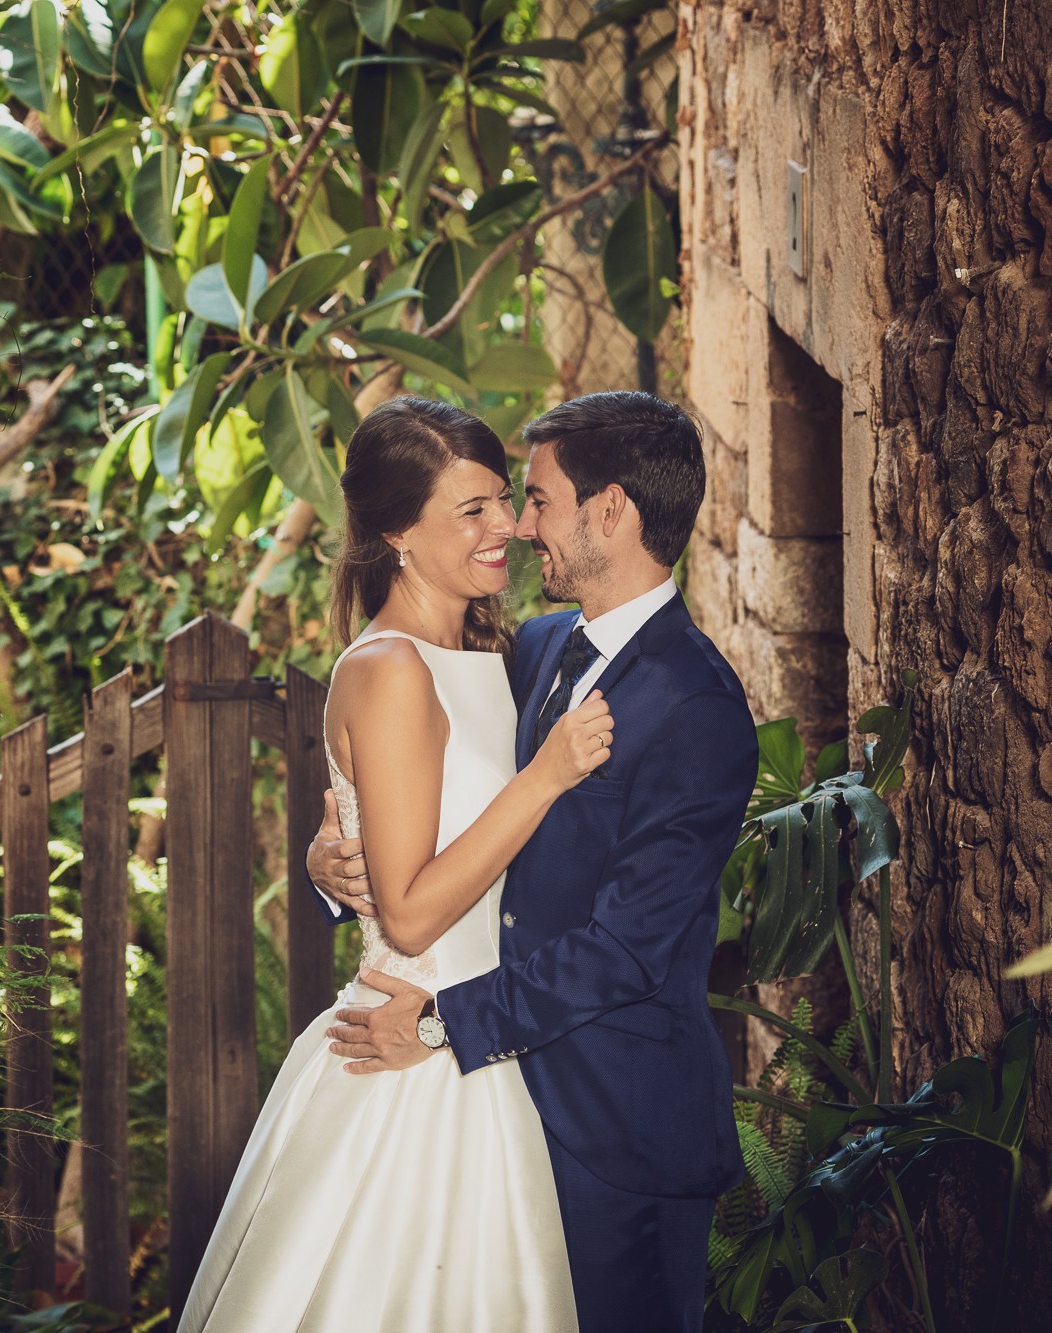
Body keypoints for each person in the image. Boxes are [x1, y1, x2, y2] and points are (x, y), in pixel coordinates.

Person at [309, 391, 758, 1333]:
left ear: (611, 510)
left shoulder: (697, 709)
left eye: (538, 499)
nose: (519, 526)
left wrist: (439, 1027)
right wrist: (332, 859)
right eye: (496, 505)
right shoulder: (536, 648)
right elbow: (440, 805)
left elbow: (627, 951)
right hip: (500, 1111)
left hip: (616, 1128)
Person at [177, 397, 613, 1333]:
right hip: (414, 1056)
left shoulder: (495, 652)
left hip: (485, 1035)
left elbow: (417, 843)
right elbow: (411, 915)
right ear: (396, 534)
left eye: (503, 500)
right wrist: (542, 779)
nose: (507, 526)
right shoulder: (392, 671)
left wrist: (325, 858)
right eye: (473, 511)